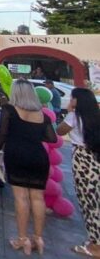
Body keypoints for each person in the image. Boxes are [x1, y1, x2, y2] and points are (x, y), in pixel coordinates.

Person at [0, 79, 57, 255]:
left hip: (17, 154)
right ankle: (38, 238)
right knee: (37, 198)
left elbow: (1, 134)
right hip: (38, 156)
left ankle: (22, 239)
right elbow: (52, 138)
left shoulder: (9, 109)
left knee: (21, 198)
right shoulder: (42, 114)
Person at [57, 88, 100, 257]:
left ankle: (96, 246)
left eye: (72, 98)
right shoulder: (95, 117)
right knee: (95, 199)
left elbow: (59, 131)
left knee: (89, 202)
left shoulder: (73, 117)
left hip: (82, 160)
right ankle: (94, 240)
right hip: (95, 157)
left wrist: (68, 111)